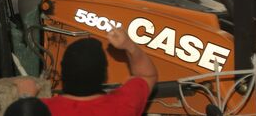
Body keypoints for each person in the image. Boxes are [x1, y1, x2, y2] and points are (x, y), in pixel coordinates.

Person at [15, 28, 157, 116]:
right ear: (104, 75)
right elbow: (147, 75)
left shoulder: (43, 109)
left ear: (63, 72)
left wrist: (25, 98)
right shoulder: (124, 106)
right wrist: (129, 46)